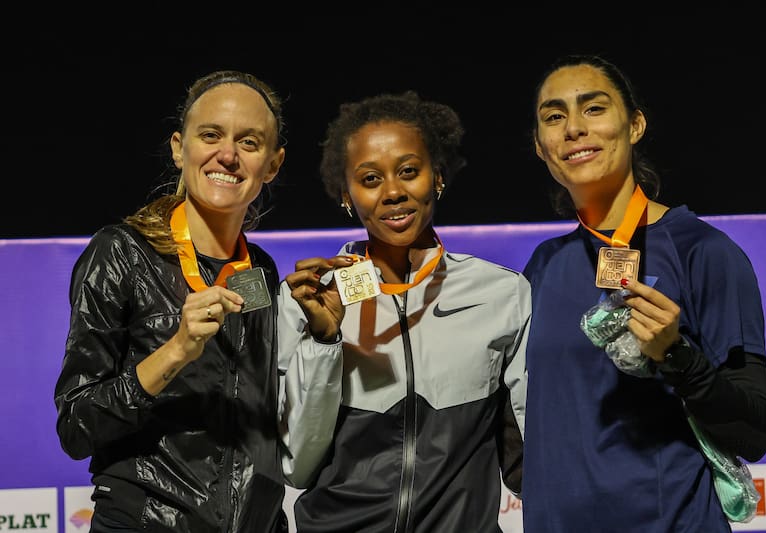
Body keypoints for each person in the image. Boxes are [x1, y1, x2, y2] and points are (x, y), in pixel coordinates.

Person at [54, 70, 346, 533]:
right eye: (211, 135)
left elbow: (268, 429)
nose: (227, 155)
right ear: (178, 147)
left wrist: (322, 335)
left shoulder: (259, 272)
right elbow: (76, 426)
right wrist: (175, 351)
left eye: (249, 142)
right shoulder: (120, 254)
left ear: (272, 164)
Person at [521, 54, 766, 532]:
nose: (573, 128)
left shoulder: (703, 252)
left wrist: (677, 356)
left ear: (635, 125)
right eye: (554, 117)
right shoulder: (542, 265)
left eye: (593, 108)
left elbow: (755, 431)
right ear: (541, 147)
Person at [284, 90, 531, 532]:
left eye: (409, 172)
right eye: (371, 179)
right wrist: (325, 341)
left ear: (437, 176)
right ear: (346, 194)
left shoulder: (502, 294)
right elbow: (298, 467)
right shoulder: (308, 299)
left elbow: (529, 459)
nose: (393, 192)